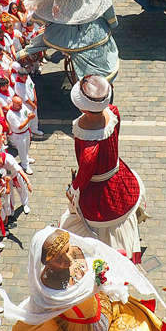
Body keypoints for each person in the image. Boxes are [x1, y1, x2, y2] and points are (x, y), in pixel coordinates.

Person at [1, 227, 166, 331]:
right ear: (46, 261)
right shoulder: (47, 290)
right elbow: (47, 321)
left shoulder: (78, 252)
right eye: (59, 258)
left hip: (103, 308)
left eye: (68, 250)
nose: (68, 259)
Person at [59, 75, 146, 263]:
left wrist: (74, 189)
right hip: (116, 172)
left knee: (86, 219)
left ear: (82, 107)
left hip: (98, 189)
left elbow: (85, 172)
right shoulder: (113, 112)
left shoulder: (89, 145)